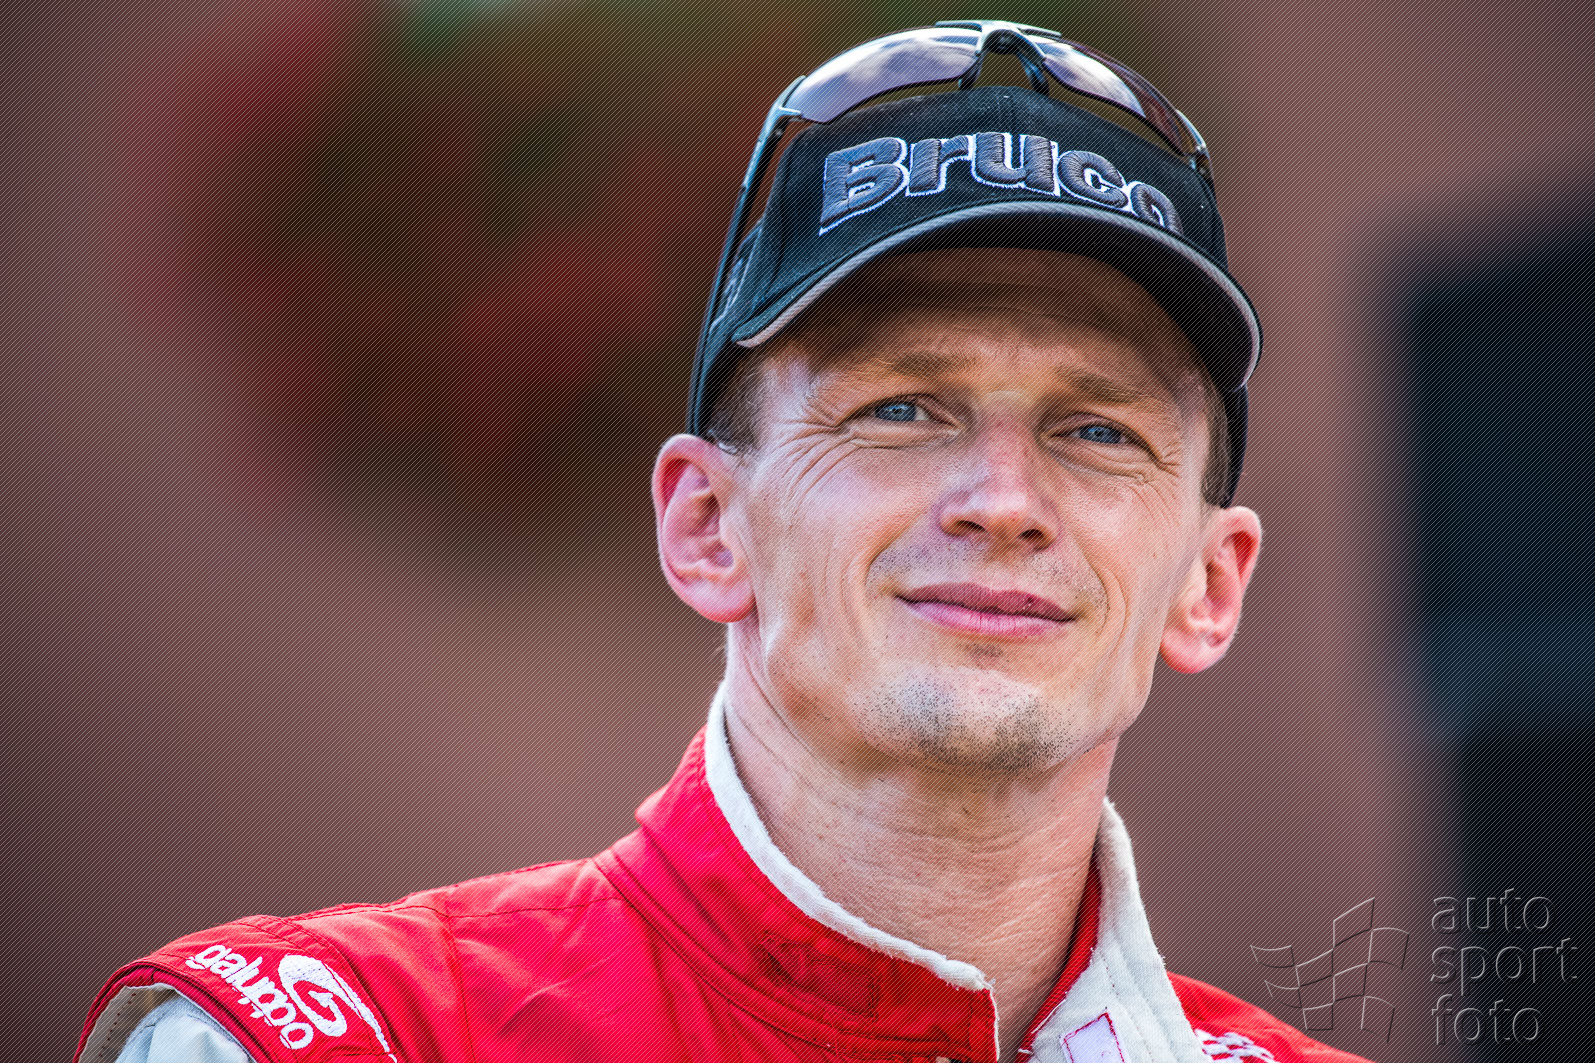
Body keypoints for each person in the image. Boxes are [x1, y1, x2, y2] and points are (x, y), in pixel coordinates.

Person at [76, 21, 1374, 1063]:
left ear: (1210, 584)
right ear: (707, 526)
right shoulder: (334, 1037)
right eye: (902, 408)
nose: (1002, 498)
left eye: (1096, 430)